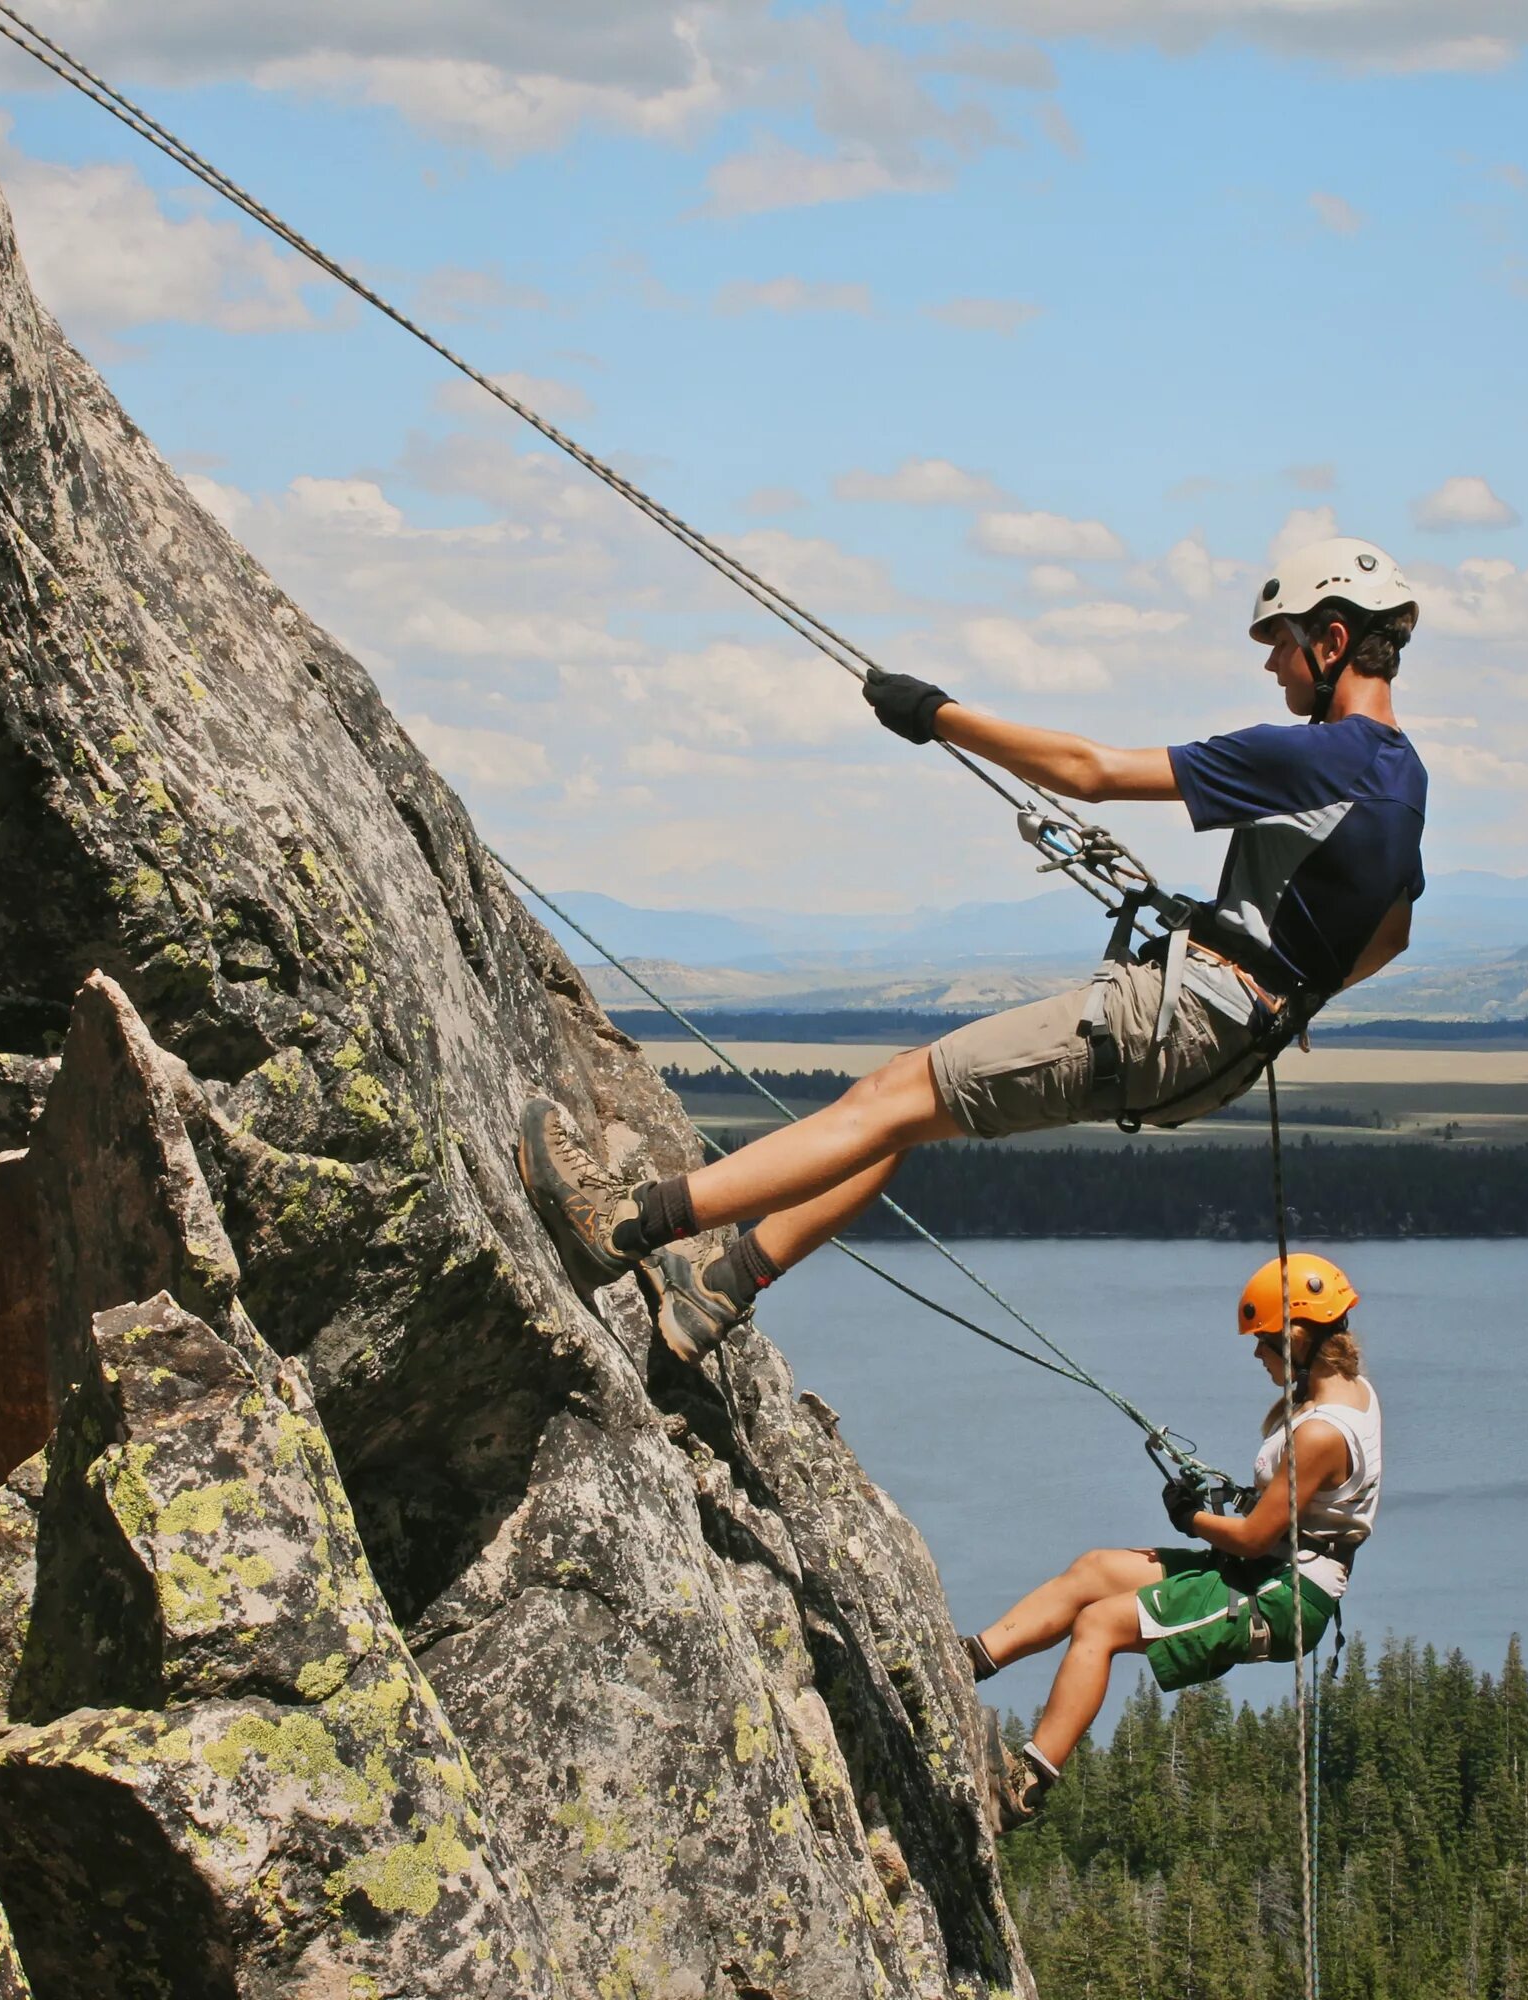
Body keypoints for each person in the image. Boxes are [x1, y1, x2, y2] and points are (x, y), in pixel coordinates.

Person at [519, 537, 1429, 1363]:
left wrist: (937, 715)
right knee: (911, 1102)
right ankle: (714, 1292)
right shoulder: (1402, 775)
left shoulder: (1323, 755)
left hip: (1181, 1016)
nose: (1272, 662)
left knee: (884, 1100)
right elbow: (1391, 935)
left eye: (1282, 640)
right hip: (1228, 1043)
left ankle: (624, 1223)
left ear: (1334, 639)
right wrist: (1290, 985)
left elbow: (1093, 774)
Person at [961, 1253, 1380, 1829]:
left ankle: (1022, 1790)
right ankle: (968, 1663)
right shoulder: (1347, 1391)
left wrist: (1191, 1520)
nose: (1258, 1354)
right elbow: (1292, 1514)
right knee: (1095, 1570)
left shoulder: (1322, 1431)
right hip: (1270, 1569)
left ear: (1297, 1336)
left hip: (1286, 1595)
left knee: (1100, 1624)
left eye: (1264, 1341)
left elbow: (1257, 1538)